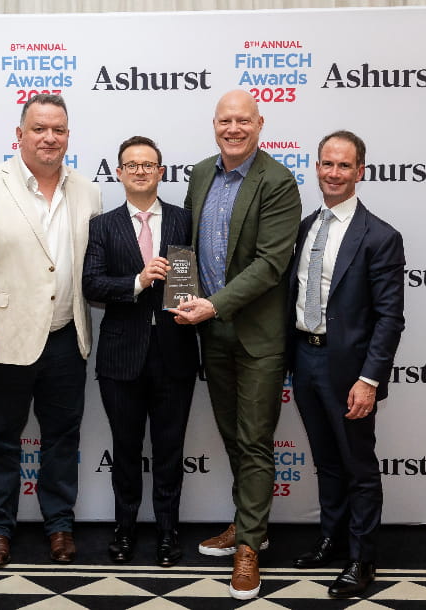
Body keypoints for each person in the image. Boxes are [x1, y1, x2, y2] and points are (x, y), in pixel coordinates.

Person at [0, 94, 102, 568]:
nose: (49, 138)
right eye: (39, 129)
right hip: (3, 338)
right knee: (0, 439)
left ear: (68, 136)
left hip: (66, 337)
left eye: (58, 129)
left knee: (63, 439)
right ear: (20, 134)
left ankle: (59, 526)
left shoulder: (88, 191)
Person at [171, 90, 301, 600]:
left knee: (254, 440)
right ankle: (251, 524)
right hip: (211, 332)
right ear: (214, 124)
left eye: (243, 120)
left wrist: (214, 304)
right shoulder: (201, 173)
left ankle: (249, 547)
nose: (233, 128)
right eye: (225, 120)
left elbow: (270, 264)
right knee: (232, 436)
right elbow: (185, 243)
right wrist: (182, 294)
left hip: (257, 336)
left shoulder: (277, 181)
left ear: (259, 124)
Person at [288, 130, 405, 598]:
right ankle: (332, 540)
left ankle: (362, 559)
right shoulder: (305, 227)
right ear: (316, 167)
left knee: (358, 467)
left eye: (343, 165)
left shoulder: (380, 236)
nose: (333, 173)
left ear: (360, 172)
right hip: (305, 358)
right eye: (327, 164)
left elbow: (389, 318)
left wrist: (369, 379)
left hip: (350, 372)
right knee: (327, 461)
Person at [83, 136, 199, 567]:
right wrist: (138, 280)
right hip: (121, 357)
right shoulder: (102, 225)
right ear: (118, 173)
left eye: (148, 165)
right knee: (126, 450)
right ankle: (125, 528)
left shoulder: (185, 220)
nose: (140, 171)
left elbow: (200, 275)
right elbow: (92, 284)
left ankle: (168, 532)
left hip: (175, 353)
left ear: (161, 172)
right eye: (131, 165)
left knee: (170, 450)